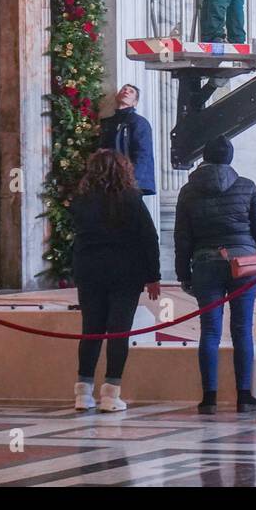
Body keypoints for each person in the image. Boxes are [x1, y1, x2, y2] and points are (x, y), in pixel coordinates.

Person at [174, 135, 256, 415]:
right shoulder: (246, 187)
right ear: (230, 158)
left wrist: (183, 273)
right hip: (244, 264)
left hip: (206, 263)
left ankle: (209, 399)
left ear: (204, 157)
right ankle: (245, 397)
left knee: (210, 330)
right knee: (242, 329)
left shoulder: (189, 191)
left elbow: (182, 236)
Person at [69, 149, 161, 413]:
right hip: (125, 273)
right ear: (123, 171)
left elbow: (78, 239)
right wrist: (153, 276)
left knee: (91, 331)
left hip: (90, 272)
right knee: (118, 333)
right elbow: (148, 238)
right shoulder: (132, 199)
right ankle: (111, 392)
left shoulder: (81, 200)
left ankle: (82, 392)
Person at [98, 84, 155, 196]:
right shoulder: (107, 123)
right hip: (109, 180)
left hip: (129, 180)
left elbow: (142, 153)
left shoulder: (138, 122)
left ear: (135, 102)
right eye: (124, 89)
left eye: (131, 91)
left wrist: (132, 180)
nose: (126, 91)